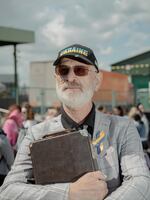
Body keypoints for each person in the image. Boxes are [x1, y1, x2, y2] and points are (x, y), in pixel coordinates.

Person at [0, 44, 150, 200]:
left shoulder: (122, 128)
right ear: (56, 79)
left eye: (80, 70)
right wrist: (69, 192)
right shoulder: (36, 134)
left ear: (97, 81)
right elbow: (8, 190)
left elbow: (140, 181)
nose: (70, 78)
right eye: (63, 70)